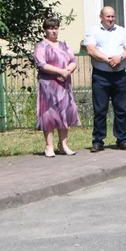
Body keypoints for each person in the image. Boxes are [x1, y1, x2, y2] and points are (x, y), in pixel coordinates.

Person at [83, 6, 126, 152]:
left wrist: (119, 58)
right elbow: (91, 50)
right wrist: (109, 60)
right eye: (108, 16)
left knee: (121, 109)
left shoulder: (121, 31)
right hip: (101, 76)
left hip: (119, 75)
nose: (111, 19)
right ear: (101, 17)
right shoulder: (93, 31)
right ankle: (98, 141)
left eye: (113, 16)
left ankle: (122, 139)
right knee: (100, 110)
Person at [34, 18, 79, 157]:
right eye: (50, 28)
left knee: (64, 112)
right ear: (45, 30)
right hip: (48, 85)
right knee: (49, 114)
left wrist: (68, 71)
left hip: (64, 84)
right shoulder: (41, 46)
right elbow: (41, 64)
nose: (54, 31)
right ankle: (49, 146)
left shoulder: (63, 45)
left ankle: (64, 145)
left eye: (56, 28)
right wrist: (60, 72)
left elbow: (73, 60)